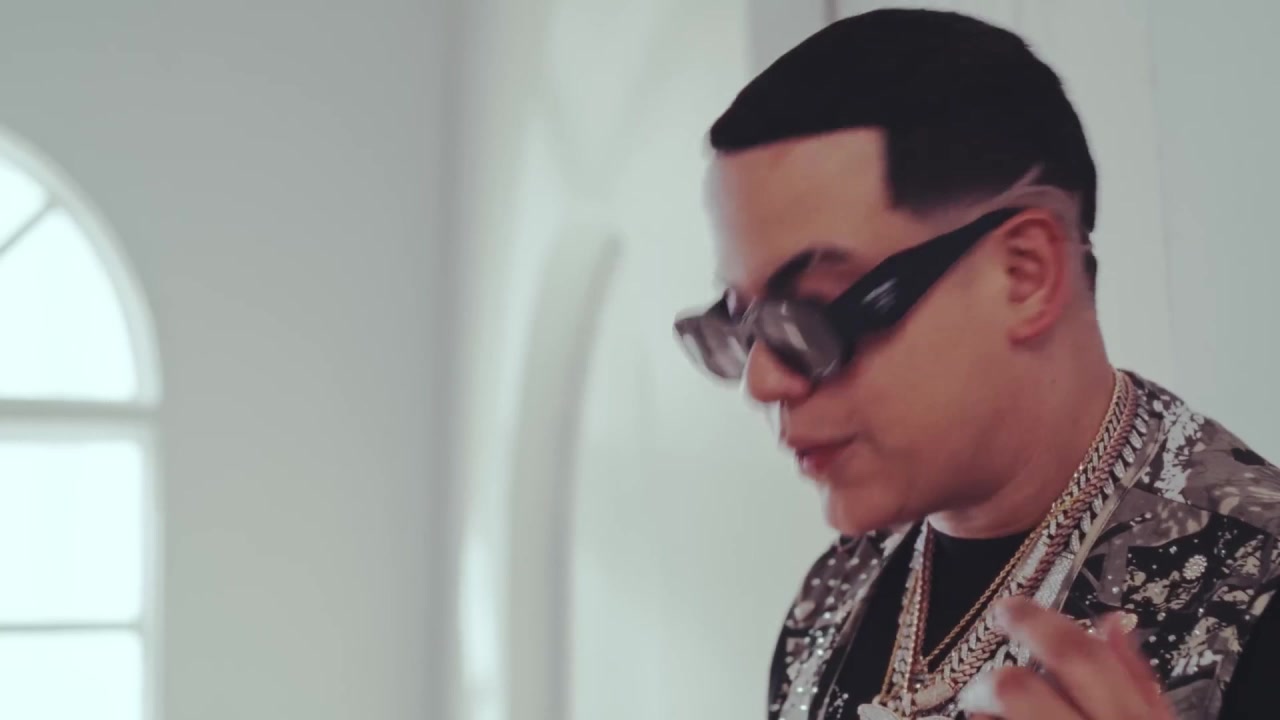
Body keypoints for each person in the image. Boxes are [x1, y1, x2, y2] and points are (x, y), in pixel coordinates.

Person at [671, 8, 1280, 720]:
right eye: (740, 325)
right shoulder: (835, 594)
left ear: (1024, 275)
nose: (764, 380)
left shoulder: (1253, 592)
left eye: (812, 313)